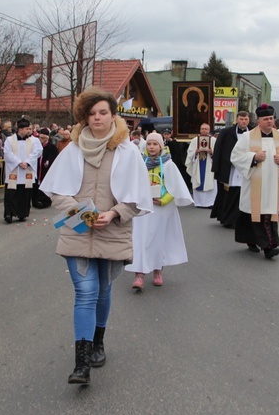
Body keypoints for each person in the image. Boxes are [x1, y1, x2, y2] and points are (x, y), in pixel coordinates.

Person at [40, 87, 152, 385]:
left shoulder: (128, 151)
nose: (97, 118)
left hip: (112, 231)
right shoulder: (72, 149)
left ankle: (98, 342)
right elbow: (57, 192)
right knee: (85, 292)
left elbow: (137, 198)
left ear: (113, 115)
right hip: (78, 230)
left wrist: (114, 214)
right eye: (91, 113)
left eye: (103, 112)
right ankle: (81, 364)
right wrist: (82, 214)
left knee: (103, 289)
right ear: (84, 118)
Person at [129, 132, 192, 289]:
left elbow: (175, 187)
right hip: (143, 208)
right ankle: (139, 274)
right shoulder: (140, 163)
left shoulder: (169, 165)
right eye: (149, 144)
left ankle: (157, 270)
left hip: (161, 209)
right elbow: (133, 183)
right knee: (140, 239)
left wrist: (163, 200)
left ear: (161, 146)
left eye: (155, 144)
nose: (151, 147)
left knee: (158, 239)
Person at [231, 104, 279, 259]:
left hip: (273, 184)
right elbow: (235, 157)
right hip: (254, 182)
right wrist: (254, 157)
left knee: (267, 214)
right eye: (265, 119)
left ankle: (268, 245)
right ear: (258, 121)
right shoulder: (248, 137)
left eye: (271, 118)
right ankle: (261, 243)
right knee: (252, 212)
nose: (269, 121)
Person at [211, 111, 251, 227]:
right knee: (229, 194)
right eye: (241, 119)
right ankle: (228, 219)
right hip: (230, 169)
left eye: (246, 119)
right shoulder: (226, 132)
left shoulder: (253, 132)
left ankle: (242, 220)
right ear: (237, 120)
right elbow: (218, 150)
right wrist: (217, 168)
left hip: (246, 168)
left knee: (243, 193)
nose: (244, 121)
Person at [3, 118, 42, 223]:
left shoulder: (34, 140)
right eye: (26, 128)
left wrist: (27, 162)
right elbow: (7, 153)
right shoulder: (9, 140)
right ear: (20, 129)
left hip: (26, 170)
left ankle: (22, 213)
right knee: (11, 193)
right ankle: (9, 214)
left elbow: (37, 152)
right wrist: (19, 162)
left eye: (29, 128)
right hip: (14, 169)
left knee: (24, 193)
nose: (29, 131)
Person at [185, 123, 217, 208]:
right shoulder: (195, 140)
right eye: (202, 129)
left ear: (209, 130)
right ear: (200, 130)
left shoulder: (214, 140)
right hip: (198, 164)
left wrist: (211, 152)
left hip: (210, 164)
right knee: (198, 180)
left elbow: (218, 154)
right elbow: (189, 153)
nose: (204, 131)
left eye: (206, 129)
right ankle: (198, 203)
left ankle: (210, 203)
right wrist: (195, 152)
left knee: (210, 182)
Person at [32, 127, 58, 209]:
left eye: (43, 138)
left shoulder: (52, 147)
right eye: (40, 137)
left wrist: (48, 162)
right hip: (37, 168)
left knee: (45, 183)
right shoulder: (36, 146)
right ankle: (35, 200)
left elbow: (53, 158)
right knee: (36, 184)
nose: (41, 139)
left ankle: (45, 201)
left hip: (46, 170)